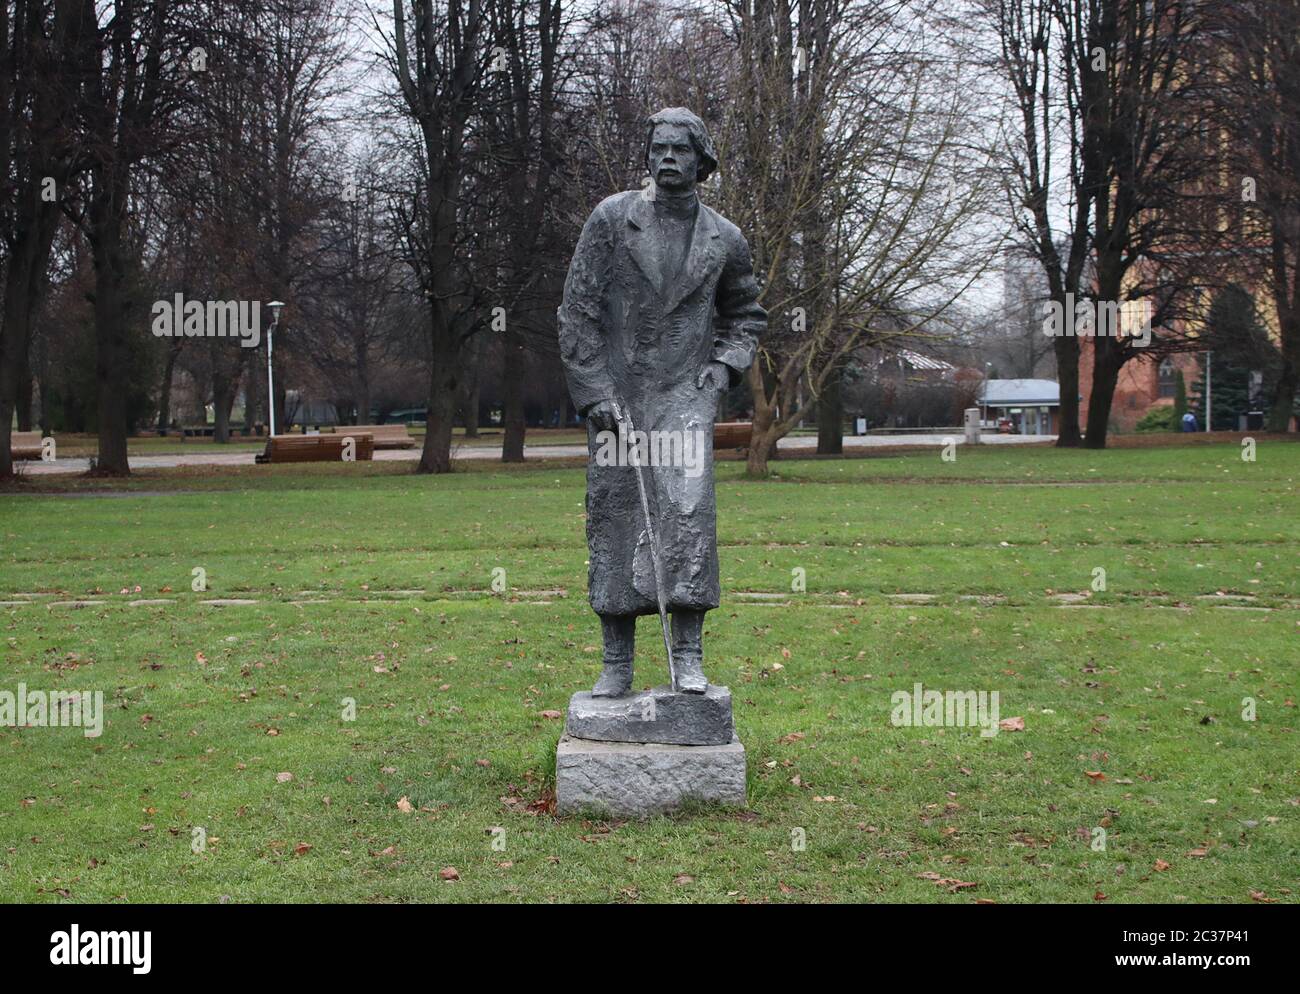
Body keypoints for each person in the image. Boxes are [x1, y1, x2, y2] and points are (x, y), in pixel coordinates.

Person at [557, 107, 767, 695]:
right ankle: (616, 663)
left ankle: (689, 652)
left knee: (687, 518)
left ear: (702, 161)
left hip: (685, 399)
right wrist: (595, 392)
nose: (667, 159)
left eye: (680, 150)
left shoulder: (724, 238)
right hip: (617, 397)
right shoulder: (611, 219)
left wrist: (723, 368)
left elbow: (745, 314)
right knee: (615, 517)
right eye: (658, 148)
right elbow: (578, 313)